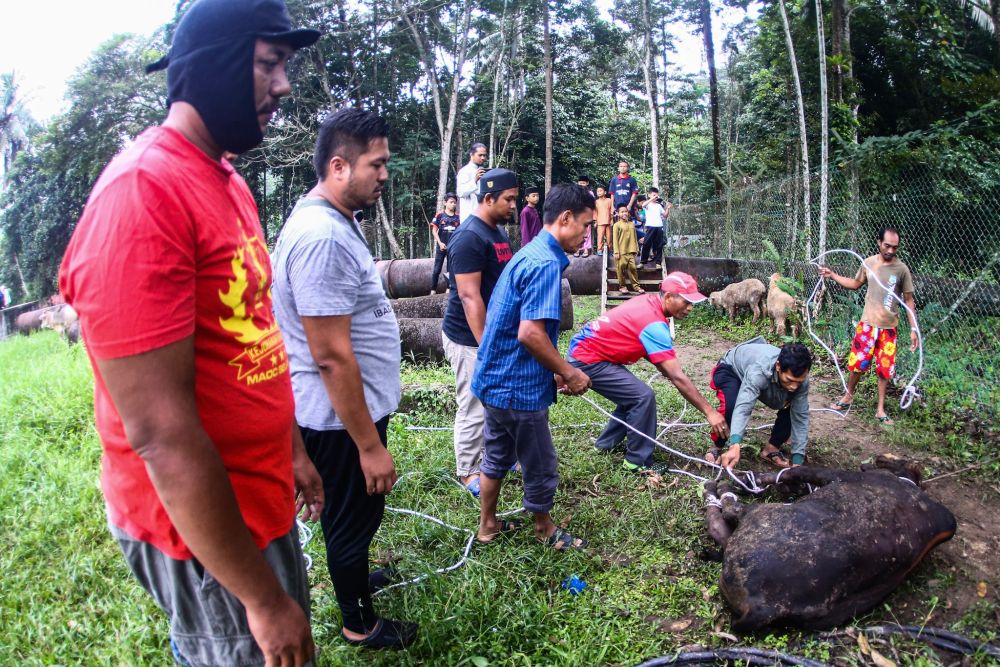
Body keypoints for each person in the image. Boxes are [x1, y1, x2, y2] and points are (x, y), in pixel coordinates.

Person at [58, 1, 323, 664]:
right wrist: (261, 601)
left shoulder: (224, 178)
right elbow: (159, 432)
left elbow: (251, 331)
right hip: (205, 529)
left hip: (258, 493)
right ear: (213, 66)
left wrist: (289, 448)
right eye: (268, 63)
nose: (283, 85)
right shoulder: (142, 194)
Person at [271, 108, 417, 650]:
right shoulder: (322, 238)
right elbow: (330, 356)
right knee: (354, 518)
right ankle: (360, 623)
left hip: (348, 414)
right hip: (338, 422)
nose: (385, 174)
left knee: (352, 514)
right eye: (376, 164)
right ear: (339, 165)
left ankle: (351, 579)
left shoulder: (334, 221)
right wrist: (369, 446)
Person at [472, 183, 594, 551]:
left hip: (495, 379)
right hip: (517, 387)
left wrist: (552, 367)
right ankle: (544, 529)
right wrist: (570, 371)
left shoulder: (531, 253)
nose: (587, 235)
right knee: (539, 461)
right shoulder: (543, 264)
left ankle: (488, 526)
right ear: (566, 218)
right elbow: (530, 334)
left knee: (496, 455)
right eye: (586, 226)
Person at [567, 273, 729, 471]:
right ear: (668, 297)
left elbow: (643, 346)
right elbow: (677, 376)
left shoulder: (648, 301)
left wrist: (665, 368)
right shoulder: (654, 324)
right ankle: (637, 462)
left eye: (692, 303)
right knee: (642, 397)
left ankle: (606, 444)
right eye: (686, 301)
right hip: (587, 359)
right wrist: (710, 412)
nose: (690, 308)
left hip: (588, 351)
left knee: (632, 395)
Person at [442, 169, 517, 496]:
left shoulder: (496, 233)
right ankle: (469, 470)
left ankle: (499, 454)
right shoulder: (469, 236)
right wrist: (487, 345)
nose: (513, 205)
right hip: (467, 338)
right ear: (488, 199)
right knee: (473, 403)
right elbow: (469, 296)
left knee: (499, 399)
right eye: (509, 199)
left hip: (492, 336)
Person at [818, 227, 918, 425]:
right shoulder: (869, 263)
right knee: (858, 364)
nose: (890, 251)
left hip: (889, 329)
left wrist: (914, 328)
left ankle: (880, 409)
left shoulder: (901, 269)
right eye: (887, 246)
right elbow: (855, 284)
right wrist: (833, 275)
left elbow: (909, 300)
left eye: (894, 247)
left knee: (885, 369)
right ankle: (847, 397)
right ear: (879, 242)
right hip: (867, 326)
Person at [705, 339, 813, 469]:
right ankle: (717, 445)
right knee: (732, 406)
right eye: (790, 380)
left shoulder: (801, 384)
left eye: (799, 381)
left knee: (792, 406)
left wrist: (798, 461)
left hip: (764, 378)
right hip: (732, 369)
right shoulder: (760, 370)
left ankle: (771, 449)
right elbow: (744, 406)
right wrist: (735, 444)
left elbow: (800, 418)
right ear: (778, 366)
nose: (794, 387)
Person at [429, 192, 460, 294]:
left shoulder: (458, 217)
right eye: (451, 202)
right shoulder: (439, 216)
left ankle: (448, 289)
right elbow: (434, 231)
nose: (453, 204)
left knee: (450, 269)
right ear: (445, 203)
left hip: (453, 248)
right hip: (441, 246)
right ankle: (433, 290)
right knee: (437, 269)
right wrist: (440, 243)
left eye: (455, 203)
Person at [612, 205, 642, 294]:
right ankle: (622, 286)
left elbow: (635, 237)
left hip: (631, 251)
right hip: (621, 252)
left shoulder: (631, 224)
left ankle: (636, 287)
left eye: (626, 211)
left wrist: (636, 248)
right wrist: (616, 251)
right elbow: (615, 239)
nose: (624, 213)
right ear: (618, 214)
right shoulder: (616, 225)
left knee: (633, 268)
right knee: (620, 269)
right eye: (622, 212)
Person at [456, 143, 488, 222]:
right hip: (469, 217)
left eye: (484, 155)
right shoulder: (464, 171)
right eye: (480, 155)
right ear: (471, 154)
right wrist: (474, 181)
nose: (483, 158)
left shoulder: (483, 171)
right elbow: (460, 192)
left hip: (483, 216)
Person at [640, 187, 669, 268]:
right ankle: (642, 262)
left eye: (657, 195)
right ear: (649, 195)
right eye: (653, 195)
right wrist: (651, 198)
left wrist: (668, 208)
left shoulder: (659, 206)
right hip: (650, 226)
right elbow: (643, 205)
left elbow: (665, 215)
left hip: (659, 226)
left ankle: (658, 263)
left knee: (659, 245)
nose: (656, 197)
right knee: (646, 243)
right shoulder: (647, 204)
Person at [574, 175, 595, 257]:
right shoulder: (575, 192)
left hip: (587, 214)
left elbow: (592, 204)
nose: (582, 184)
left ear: (587, 183)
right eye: (580, 183)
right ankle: (577, 249)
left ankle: (586, 249)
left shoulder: (590, 193)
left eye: (583, 183)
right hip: (577, 215)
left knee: (587, 232)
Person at [594, 185, 613, 255]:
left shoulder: (609, 200)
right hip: (600, 222)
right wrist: (595, 221)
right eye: (597, 191)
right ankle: (599, 250)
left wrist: (611, 220)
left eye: (600, 191)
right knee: (600, 237)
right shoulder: (596, 202)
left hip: (608, 221)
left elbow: (611, 210)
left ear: (605, 192)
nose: (599, 192)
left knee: (609, 237)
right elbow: (595, 212)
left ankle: (610, 250)